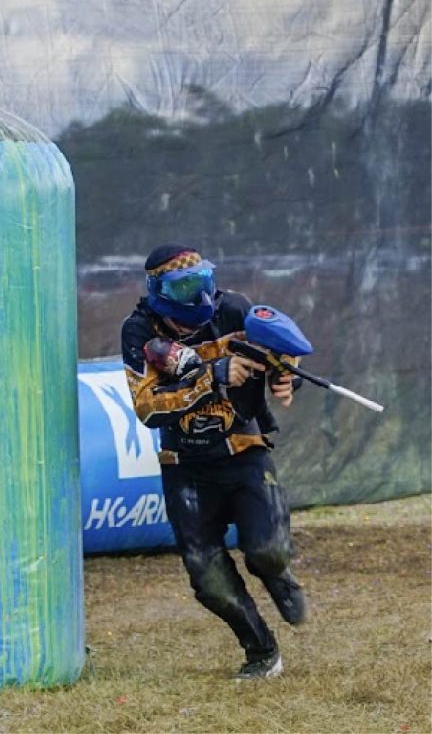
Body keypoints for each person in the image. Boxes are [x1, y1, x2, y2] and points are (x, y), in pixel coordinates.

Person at [120, 245, 307, 680]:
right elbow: (148, 408)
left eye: (202, 283)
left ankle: (278, 574)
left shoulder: (234, 309)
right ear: (159, 292)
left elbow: (283, 344)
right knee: (209, 579)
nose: (197, 297)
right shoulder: (137, 331)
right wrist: (213, 377)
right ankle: (261, 651)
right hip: (185, 466)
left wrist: (286, 374)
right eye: (184, 289)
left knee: (267, 550)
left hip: (244, 449)